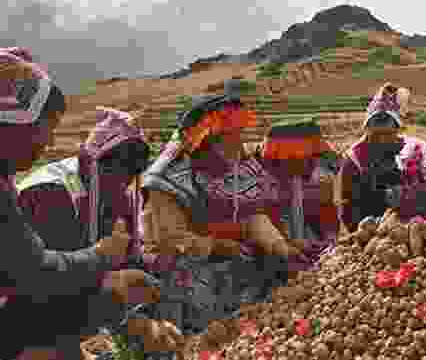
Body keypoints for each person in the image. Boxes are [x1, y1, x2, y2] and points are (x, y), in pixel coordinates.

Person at [0, 47, 160, 360]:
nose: (48, 143)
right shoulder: (49, 194)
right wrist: (105, 261)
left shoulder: (122, 199)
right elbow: (35, 278)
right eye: (45, 129)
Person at [15, 106, 184, 356]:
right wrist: (132, 323)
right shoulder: (49, 194)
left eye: (131, 173)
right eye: (116, 169)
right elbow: (54, 278)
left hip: (79, 298)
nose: (122, 181)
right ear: (94, 161)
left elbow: (128, 262)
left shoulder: (121, 196)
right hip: (30, 306)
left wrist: (156, 269)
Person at [140, 79, 298, 341]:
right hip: (182, 268)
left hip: (231, 262)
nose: (240, 141)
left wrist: (281, 246)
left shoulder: (238, 167)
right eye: (231, 135)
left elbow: (253, 217)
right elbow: (171, 239)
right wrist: (216, 245)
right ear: (207, 139)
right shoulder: (166, 181)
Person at [338, 82, 426, 232]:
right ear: (367, 131)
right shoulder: (354, 160)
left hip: (418, 226)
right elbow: (348, 207)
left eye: (387, 135)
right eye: (376, 135)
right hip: (372, 230)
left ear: (397, 130)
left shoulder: (413, 149)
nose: (382, 140)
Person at [258, 118, 341, 273]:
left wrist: (329, 240)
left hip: (312, 248)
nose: (311, 162)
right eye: (304, 158)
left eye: (312, 157)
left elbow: (327, 211)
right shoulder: (264, 182)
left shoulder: (317, 175)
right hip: (277, 251)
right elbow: (265, 224)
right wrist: (291, 243)